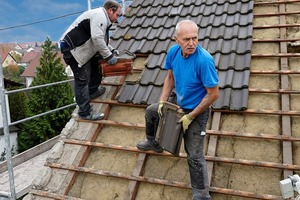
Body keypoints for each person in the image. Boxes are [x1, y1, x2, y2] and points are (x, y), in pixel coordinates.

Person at [136, 20, 219, 200]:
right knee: (151, 112)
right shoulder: (174, 52)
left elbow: (213, 95)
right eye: (186, 39)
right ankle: (153, 142)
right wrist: (161, 102)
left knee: (194, 155)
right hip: (178, 105)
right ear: (176, 40)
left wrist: (191, 116)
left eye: (194, 38)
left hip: (198, 110)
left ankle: (201, 194)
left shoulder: (204, 60)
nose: (191, 43)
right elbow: (170, 77)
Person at [60, 0, 122, 120]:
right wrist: (109, 56)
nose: (117, 18)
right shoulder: (100, 16)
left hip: (82, 48)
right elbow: (97, 38)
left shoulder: (102, 18)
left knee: (96, 65)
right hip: (73, 50)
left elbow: (100, 39)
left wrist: (111, 50)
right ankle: (84, 113)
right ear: (110, 10)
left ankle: (92, 91)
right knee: (82, 80)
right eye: (117, 15)